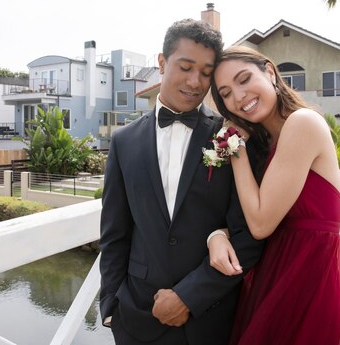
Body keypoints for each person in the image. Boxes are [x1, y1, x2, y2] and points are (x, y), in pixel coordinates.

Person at [99, 20, 264, 345]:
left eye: (206, 72)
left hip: (212, 320)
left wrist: (190, 296)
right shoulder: (123, 142)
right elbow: (114, 235)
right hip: (135, 321)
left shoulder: (230, 136)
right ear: (162, 63)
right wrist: (110, 308)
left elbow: (249, 236)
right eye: (185, 67)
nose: (195, 82)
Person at [207, 46, 340, 345]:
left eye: (244, 79)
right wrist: (218, 234)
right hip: (274, 274)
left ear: (270, 72)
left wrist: (234, 147)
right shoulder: (265, 142)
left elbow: (260, 224)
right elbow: (249, 212)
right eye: (226, 93)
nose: (239, 96)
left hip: (306, 281)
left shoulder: (302, 123)